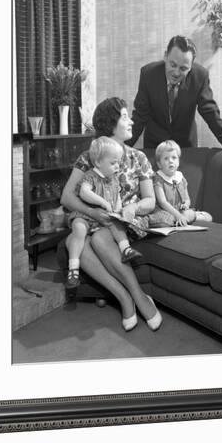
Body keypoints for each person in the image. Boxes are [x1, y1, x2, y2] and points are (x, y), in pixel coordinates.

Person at [61, 97, 163, 332]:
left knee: (98, 238)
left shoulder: (139, 158)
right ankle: (125, 298)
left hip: (124, 223)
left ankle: (137, 296)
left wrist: (133, 208)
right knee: (73, 241)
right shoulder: (89, 156)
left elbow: (150, 200)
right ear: (110, 124)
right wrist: (92, 213)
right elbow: (67, 197)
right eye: (125, 116)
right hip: (97, 220)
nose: (131, 121)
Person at [126, 35, 222, 151]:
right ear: (165, 56)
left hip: (185, 146)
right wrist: (122, 148)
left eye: (183, 68)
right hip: (156, 146)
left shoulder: (200, 76)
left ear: (191, 66)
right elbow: (140, 116)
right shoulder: (148, 74)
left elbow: (210, 112)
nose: (176, 73)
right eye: (173, 65)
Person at [65, 136, 143, 290]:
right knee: (79, 229)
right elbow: (84, 192)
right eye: (113, 163)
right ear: (99, 162)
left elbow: (118, 197)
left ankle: (125, 249)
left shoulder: (113, 179)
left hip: (104, 217)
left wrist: (118, 209)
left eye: (118, 163)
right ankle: (73, 268)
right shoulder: (90, 176)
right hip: (85, 215)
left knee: (117, 223)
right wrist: (103, 202)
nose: (117, 167)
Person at [147, 140, 213, 227]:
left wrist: (185, 205)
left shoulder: (180, 178)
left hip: (180, 211)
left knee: (207, 217)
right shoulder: (158, 178)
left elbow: (187, 199)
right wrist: (177, 215)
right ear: (159, 164)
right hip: (165, 210)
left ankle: (184, 218)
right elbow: (162, 202)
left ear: (178, 161)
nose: (170, 161)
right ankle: (177, 220)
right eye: (166, 158)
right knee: (163, 219)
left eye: (174, 158)